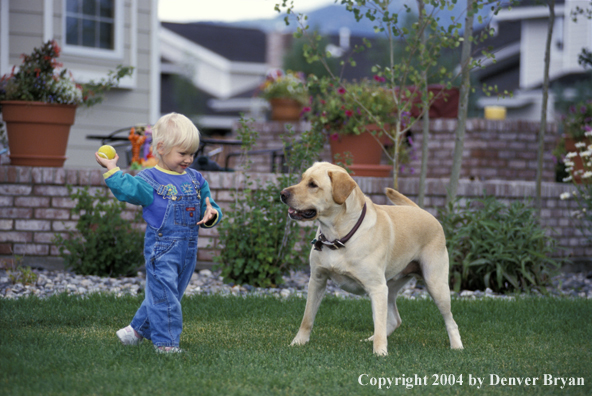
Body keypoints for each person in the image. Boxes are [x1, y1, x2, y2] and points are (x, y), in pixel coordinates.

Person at [95, 113, 222, 353]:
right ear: (161, 148)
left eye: (192, 154)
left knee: (166, 293)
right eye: (182, 153)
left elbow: (210, 205)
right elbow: (128, 190)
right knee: (166, 298)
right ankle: (166, 344)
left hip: (188, 251)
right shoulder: (149, 179)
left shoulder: (196, 180)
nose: (188, 159)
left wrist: (212, 214)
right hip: (161, 250)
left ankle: (135, 331)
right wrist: (112, 170)